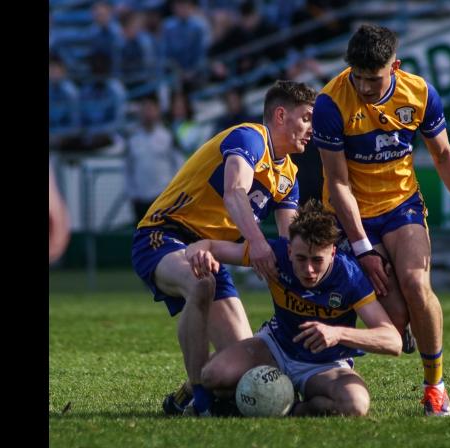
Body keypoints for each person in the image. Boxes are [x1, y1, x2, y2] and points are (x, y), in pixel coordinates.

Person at [312, 24, 450, 417]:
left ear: (396, 65)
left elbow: (443, 155)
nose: (364, 87)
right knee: (392, 322)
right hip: (351, 213)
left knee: (415, 282)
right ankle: (400, 327)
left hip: (401, 205)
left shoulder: (421, 93)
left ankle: (435, 387)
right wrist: (363, 249)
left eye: (373, 79)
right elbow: (338, 183)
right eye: (357, 78)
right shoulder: (329, 103)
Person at [131, 80, 317, 416]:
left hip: (212, 252)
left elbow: (292, 244)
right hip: (163, 235)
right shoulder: (249, 137)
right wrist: (258, 243)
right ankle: (201, 401)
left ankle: (185, 394)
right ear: (280, 115)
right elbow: (234, 191)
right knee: (200, 282)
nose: (311, 128)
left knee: (242, 369)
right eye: (306, 118)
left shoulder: (288, 173)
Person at [190, 199, 402, 416]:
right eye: (300, 258)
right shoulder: (274, 255)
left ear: (332, 253)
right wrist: (201, 253)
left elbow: (393, 341)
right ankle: (194, 396)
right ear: (290, 250)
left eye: (317, 260)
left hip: (324, 365)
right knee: (212, 376)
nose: (308, 269)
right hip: (274, 348)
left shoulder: (350, 277)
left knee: (355, 405)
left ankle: (294, 408)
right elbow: (208, 246)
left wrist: (337, 334)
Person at [124, 95, 183, 223]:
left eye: (151, 108)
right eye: (144, 109)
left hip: (163, 198)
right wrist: (132, 194)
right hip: (140, 199)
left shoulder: (168, 136)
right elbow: (128, 168)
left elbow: (178, 165)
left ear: (158, 111)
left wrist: (174, 193)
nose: (147, 113)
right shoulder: (133, 139)